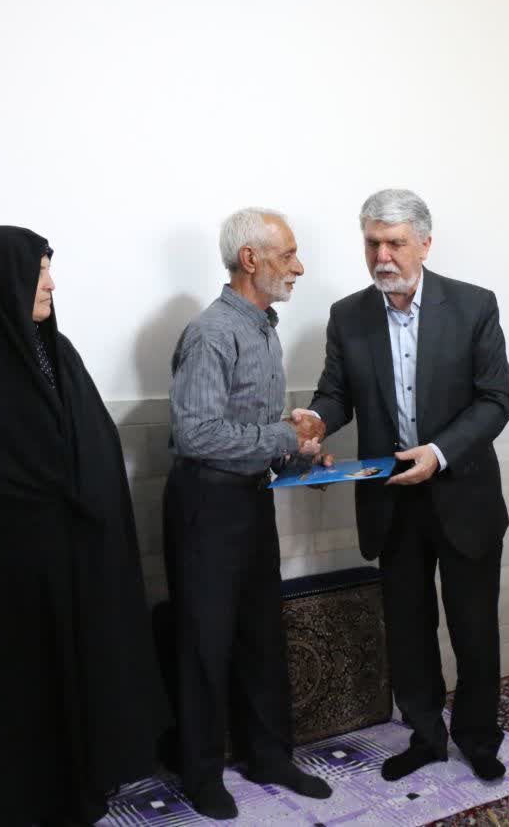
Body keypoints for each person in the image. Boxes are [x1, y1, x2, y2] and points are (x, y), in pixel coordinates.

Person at [0, 226, 167, 826]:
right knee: (19, 696)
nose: (51, 284)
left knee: (76, 685)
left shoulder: (59, 355)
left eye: (49, 269)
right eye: (38, 272)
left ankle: (78, 786)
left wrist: (78, 497)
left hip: (73, 565)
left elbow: (94, 445)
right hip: (1, 583)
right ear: (1, 282)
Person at [297, 188, 509, 782]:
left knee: (474, 629)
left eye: (394, 243)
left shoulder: (473, 306)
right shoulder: (348, 315)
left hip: (462, 494)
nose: (382, 256)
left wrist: (439, 454)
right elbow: (335, 393)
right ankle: (425, 736)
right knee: (409, 632)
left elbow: (496, 399)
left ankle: (477, 737)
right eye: (372, 243)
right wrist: (314, 421)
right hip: (391, 500)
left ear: (424, 243)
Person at [164, 207, 333, 819]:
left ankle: (268, 757)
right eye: (288, 255)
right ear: (250, 259)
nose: (299, 266)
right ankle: (201, 774)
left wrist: (299, 455)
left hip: (250, 499)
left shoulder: (264, 328)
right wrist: (286, 437)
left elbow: (247, 431)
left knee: (261, 635)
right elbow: (196, 435)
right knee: (205, 644)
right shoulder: (212, 332)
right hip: (206, 505)